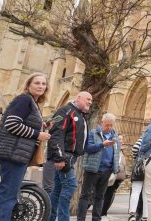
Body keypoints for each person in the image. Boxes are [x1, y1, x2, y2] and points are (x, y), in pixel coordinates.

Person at [0, 73, 52, 221]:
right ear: (28, 85)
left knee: (6, 194)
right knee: (8, 195)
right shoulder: (24, 100)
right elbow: (12, 124)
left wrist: (43, 126)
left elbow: (23, 124)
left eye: (43, 83)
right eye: (37, 83)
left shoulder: (32, 103)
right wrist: (37, 134)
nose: (41, 86)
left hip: (17, 153)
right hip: (12, 153)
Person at [47, 91, 93, 221]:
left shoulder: (80, 114)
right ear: (78, 98)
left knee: (57, 189)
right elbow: (56, 133)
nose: (90, 102)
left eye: (91, 100)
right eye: (88, 99)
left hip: (71, 157)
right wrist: (59, 157)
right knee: (70, 186)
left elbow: (51, 122)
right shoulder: (65, 111)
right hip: (65, 157)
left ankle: (50, 218)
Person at [77, 112, 121, 221]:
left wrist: (115, 168)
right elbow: (88, 148)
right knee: (85, 195)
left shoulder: (115, 136)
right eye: (107, 125)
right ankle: (80, 219)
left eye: (111, 125)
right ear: (102, 122)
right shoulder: (93, 133)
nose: (109, 127)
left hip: (107, 170)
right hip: (92, 169)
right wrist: (102, 144)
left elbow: (116, 153)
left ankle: (96, 218)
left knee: (100, 196)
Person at [101, 135, 127, 218]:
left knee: (109, 195)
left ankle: (103, 213)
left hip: (117, 178)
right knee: (104, 194)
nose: (121, 141)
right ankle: (101, 213)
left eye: (122, 139)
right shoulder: (111, 149)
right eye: (119, 139)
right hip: (110, 175)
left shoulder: (122, 151)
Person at [129, 135, 148, 220]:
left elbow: (135, 148)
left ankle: (132, 214)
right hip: (150, 166)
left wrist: (136, 158)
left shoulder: (144, 137)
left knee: (136, 191)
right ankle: (145, 216)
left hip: (139, 167)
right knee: (146, 193)